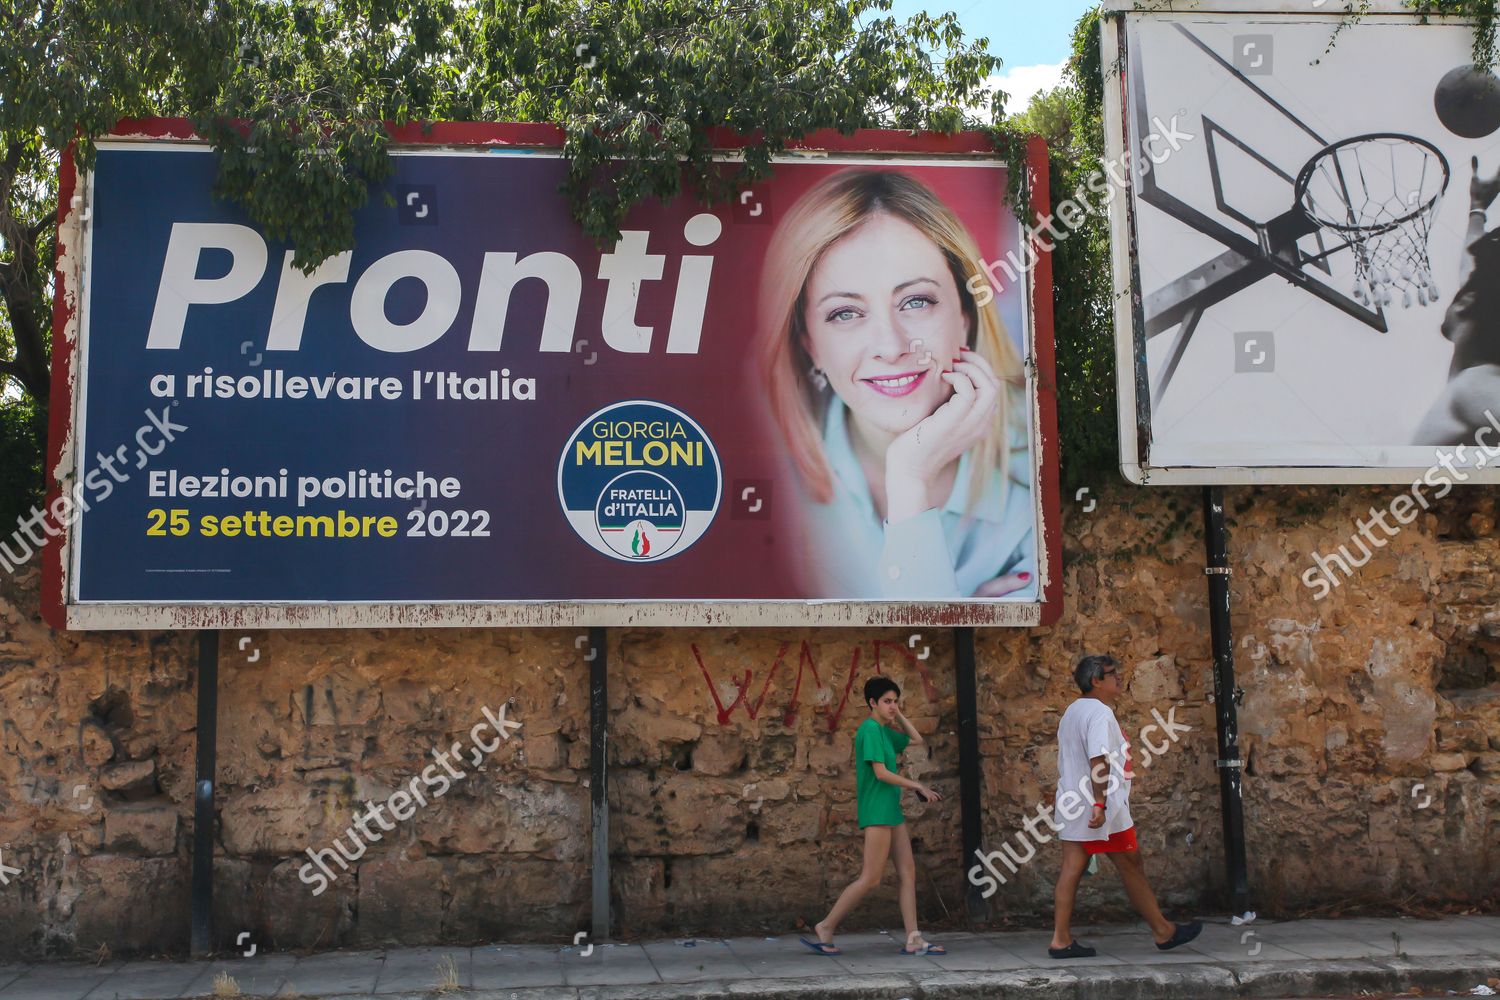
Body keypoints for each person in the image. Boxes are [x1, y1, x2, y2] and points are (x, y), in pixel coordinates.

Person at [756, 168, 1036, 600]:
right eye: (845, 313)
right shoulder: (766, 473)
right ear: (809, 343)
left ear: (965, 314)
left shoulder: (1039, 463)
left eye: (916, 301)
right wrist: (960, 623)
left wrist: (909, 480)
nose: (890, 347)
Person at [1048, 654, 1202, 959]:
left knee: (1077, 867)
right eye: (1111, 673)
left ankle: (1061, 939)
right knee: (1128, 863)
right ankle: (1163, 931)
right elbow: (1098, 760)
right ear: (1096, 681)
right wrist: (1100, 803)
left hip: (1073, 802)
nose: (1118, 678)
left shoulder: (1073, 711)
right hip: (1101, 809)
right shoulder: (1099, 714)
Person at [801, 676, 946, 957]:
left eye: (895, 701)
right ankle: (826, 926)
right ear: (872, 703)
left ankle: (914, 939)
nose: (893, 707)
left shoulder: (883, 730)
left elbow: (916, 739)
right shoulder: (869, 730)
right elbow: (880, 773)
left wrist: (897, 713)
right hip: (877, 810)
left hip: (891, 810)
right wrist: (917, 785)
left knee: (908, 872)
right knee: (871, 878)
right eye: (887, 702)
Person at [1413, 154, 1500, 445]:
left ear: (1465, 303)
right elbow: (1474, 274)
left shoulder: (1476, 386)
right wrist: (1478, 209)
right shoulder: (1477, 378)